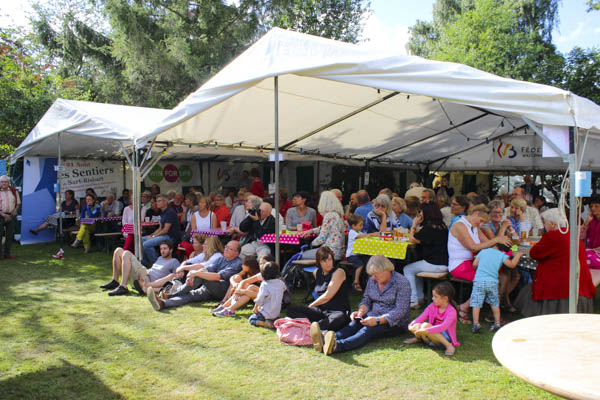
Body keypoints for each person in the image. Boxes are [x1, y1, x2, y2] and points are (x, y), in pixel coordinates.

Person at [317, 255, 410, 355]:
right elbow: (367, 299)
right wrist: (361, 312)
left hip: (395, 323)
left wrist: (378, 320)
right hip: (373, 315)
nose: (373, 277)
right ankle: (328, 339)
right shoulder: (372, 280)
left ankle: (337, 346)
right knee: (353, 324)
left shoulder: (402, 282)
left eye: (375, 274)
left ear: (386, 270)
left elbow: (400, 311)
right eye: (371, 274)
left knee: (368, 330)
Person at [514, 208, 596, 316]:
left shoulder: (552, 236)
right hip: (579, 281)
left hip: (559, 283)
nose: (544, 226)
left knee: (530, 288)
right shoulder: (572, 235)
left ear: (552, 224)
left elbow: (534, 253)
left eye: (545, 223)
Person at [447, 204, 511, 323]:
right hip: (459, 265)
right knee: (489, 281)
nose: (481, 224)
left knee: (503, 275)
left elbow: (489, 243)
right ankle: (465, 308)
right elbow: (473, 247)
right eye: (481, 221)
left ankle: (490, 311)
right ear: (475, 214)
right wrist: (497, 240)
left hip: (473, 263)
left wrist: (499, 243)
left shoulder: (474, 226)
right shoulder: (459, 226)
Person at [147, 241, 242, 311]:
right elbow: (206, 268)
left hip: (222, 290)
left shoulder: (237, 263)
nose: (226, 249)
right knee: (190, 296)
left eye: (229, 248)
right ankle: (163, 303)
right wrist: (191, 275)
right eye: (226, 246)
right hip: (209, 288)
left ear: (236, 253)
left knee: (200, 275)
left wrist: (196, 273)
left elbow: (218, 276)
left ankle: (169, 294)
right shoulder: (221, 259)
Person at [287, 247, 351, 346]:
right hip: (322, 310)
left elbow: (327, 296)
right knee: (292, 309)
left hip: (337, 311)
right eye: (324, 261)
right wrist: (312, 308)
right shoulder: (317, 272)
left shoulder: (339, 272)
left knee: (338, 318)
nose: (328, 263)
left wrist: (312, 305)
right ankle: (314, 328)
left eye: (329, 259)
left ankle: (311, 327)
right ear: (319, 262)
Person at [403, 203, 449, 308]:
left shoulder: (429, 229)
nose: (420, 214)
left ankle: (413, 300)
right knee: (415, 269)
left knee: (408, 269)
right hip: (444, 263)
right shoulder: (442, 227)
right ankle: (419, 297)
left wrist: (414, 225)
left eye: (421, 212)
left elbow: (412, 239)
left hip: (435, 264)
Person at [470, 244, 524, 333]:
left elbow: (475, 264)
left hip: (479, 281)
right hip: (492, 282)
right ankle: (497, 323)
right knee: (495, 303)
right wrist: (518, 254)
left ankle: (476, 324)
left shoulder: (483, 252)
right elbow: (512, 265)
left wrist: (477, 270)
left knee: (476, 303)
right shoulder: (501, 255)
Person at [100, 241, 180, 296]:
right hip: (145, 273)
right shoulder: (160, 258)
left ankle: (123, 286)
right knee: (118, 250)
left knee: (126, 254)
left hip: (148, 280)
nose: (162, 251)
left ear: (171, 250)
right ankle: (115, 281)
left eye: (165, 248)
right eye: (161, 249)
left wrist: (157, 287)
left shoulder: (174, 261)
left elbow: (176, 278)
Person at [404, 282, 459, 356]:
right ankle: (419, 338)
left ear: (445, 298)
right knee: (420, 325)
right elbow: (421, 317)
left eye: (435, 296)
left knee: (426, 326)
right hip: (431, 334)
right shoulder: (432, 306)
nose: (432, 298)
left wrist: (426, 330)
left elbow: (443, 327)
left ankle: (449, 346)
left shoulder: (451, 311)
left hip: (445, 338)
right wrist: (411, 324)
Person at [298, 191, 345, 260]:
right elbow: (325, 228)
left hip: (328, 252)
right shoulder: (337, 215)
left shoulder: (329, 215)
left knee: (300, 255)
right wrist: (312, 231)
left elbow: (321, 238)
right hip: (338, 251)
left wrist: (310, 244)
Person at [142, 194, 182, 266]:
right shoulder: (162, 212)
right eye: (157, 201)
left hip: (171, 237)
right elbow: (160, 228)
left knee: (146, 244)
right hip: (164, 235)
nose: (157, 203)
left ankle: (157, 265)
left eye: (159, 201)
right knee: (141, 240)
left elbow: (166, 230)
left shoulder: (170, 212)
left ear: (165, 202)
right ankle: (143, 264)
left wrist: (153, 237)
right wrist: (151, 235)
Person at [248, 261, 287, 329]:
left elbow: (260, 299)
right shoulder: (281, 283)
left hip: (265, 313)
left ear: (263, 273)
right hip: (276, 313)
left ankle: (265, 323)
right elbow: (284, 289)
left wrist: (255, 307)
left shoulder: (264, 284)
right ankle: (273, 321)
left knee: (251, 319)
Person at [346, 214, 369, 291]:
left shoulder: (359, 232)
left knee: (368, 260)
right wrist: (372, 234)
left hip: (358, 254)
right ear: (353, 226)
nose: (362, 226)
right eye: (360, 225)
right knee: (360, 265)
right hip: (351, 255)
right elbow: (361, 237)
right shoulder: (352, 232)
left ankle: (368, 280)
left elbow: (364, 236)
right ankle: (356, 281)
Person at [0, 175, 20, 259]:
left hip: (11, 215)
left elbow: (18, 203)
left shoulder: (13, 190)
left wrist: (15, 210)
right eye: (2, 182)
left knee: (9, 236)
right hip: (1, 216)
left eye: (5, 182)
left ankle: (7, 254)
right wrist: (4, 215)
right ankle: (0, 255)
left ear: (8, 182)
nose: (4, 183)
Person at [582, 194, 600, 268]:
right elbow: (580, 237)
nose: (593, 208)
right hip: (592, 254)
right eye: (591, 206)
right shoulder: (591, 221)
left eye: (596, 206)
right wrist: (586, 223)